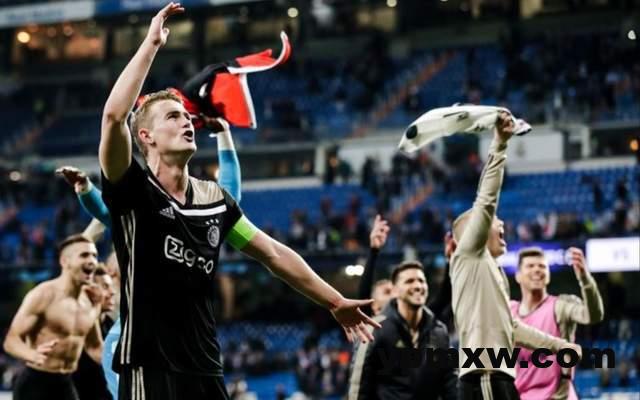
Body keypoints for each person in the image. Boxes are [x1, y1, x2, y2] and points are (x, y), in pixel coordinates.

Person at [98, 3, 379, 399]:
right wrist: (152, 45)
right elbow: (114, 118)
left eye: (186, 116)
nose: (187, 121)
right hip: (149, 365)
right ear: (146, 137)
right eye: (173, 117)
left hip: (206, 366)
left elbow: (273, 254)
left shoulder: (215, 200)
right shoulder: (131, 189)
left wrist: (333, 301)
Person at [57, 114, 243, 399]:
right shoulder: (139, 225)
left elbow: (229, 198)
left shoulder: (190, 218)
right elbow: (106, 215)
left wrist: (224, 135)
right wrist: (87, 190)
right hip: (142, 348)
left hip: (185, 347)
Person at [450, 112, 580, 400]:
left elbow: (513, 329)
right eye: (495, 222)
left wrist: (559, 346)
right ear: (476, 231)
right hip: (484, 372)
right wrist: (499, 144)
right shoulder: (470, 254)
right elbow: (485, 202)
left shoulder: (487, 271)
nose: (501, 224)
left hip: (496, 374)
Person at [2, 234, 104, 400]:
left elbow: (94, 346)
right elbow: (11, 341)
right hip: (36, 383)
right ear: (65, 261)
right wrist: (32, 355)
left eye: (94, 255)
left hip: (65, 382)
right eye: (84, 255)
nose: (92, 260)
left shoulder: (91, 300)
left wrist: (120, 365)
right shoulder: (44, 295)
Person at [348, 261, 457, 400]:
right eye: (409, 281)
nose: (417, 286)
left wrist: (450, 261)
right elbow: (358, 388)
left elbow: (450, 382)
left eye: (421, 281)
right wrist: (373, 253)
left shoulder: (439, 332)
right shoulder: (374, 330)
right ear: (394, 291)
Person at [511, 246, 604, 400]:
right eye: (530, 266)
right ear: (518, 276)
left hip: (559, 397)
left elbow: (593, 315)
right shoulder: (509, 311)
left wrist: (585, 280)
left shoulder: (561, 306)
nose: (537, 270)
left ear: (548, 275)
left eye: (542, 266)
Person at [72, 264, 118, 400]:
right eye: (105, 287)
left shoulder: (111, 325)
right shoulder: (75, 327)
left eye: (111, 286)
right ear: (89, 290)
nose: (112, 292)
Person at [357, 215, 392, 316]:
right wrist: (374, 250)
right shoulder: (370, 324)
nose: (394, 295)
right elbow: (364, 295)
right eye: (387, 292)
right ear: (374, 307)